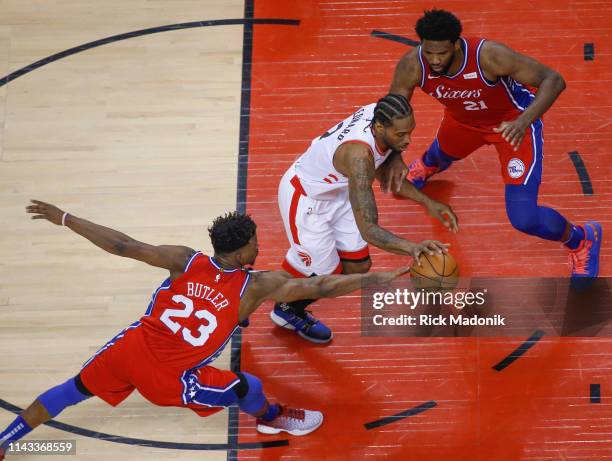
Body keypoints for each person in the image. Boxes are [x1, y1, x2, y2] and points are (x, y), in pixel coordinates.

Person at [0, 200, 411, 458]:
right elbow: (319, 285)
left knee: (71, 391)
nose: (258, 246)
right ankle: (272, 417)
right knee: (244, 385)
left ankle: (5, 441)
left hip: (130, 348)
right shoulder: (256, 285)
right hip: (169, 377)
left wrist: (66, 218)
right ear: (241, 250)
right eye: (254, 241)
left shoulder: (186, 259)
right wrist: (378, 279)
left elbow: (123, 246)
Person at [389, 9, 601, 282]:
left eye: (441, 53)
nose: (435, 60)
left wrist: (524, 121)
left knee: (524, 218)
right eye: (429, 52)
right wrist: (394, 156)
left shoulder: (489, 56)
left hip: (511, 126)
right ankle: (428, 165)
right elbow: (393, 111)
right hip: (463, 122)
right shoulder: (413, 65)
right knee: (443, 152)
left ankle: (581, 238)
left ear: (456, 44)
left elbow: (554, 80)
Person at [271, 93, 459, 343]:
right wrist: (414, 248)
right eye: (401, 135)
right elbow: (370, 230)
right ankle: (284, 308)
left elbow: (386, 170)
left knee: (358, 266)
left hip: (338, 190)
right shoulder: (359, 159)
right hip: (307, 199)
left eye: (410, 131)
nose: (408, 140)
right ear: (379, 127)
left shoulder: (378, 112)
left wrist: (428, 202)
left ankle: (302, 262)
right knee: (326, 273)